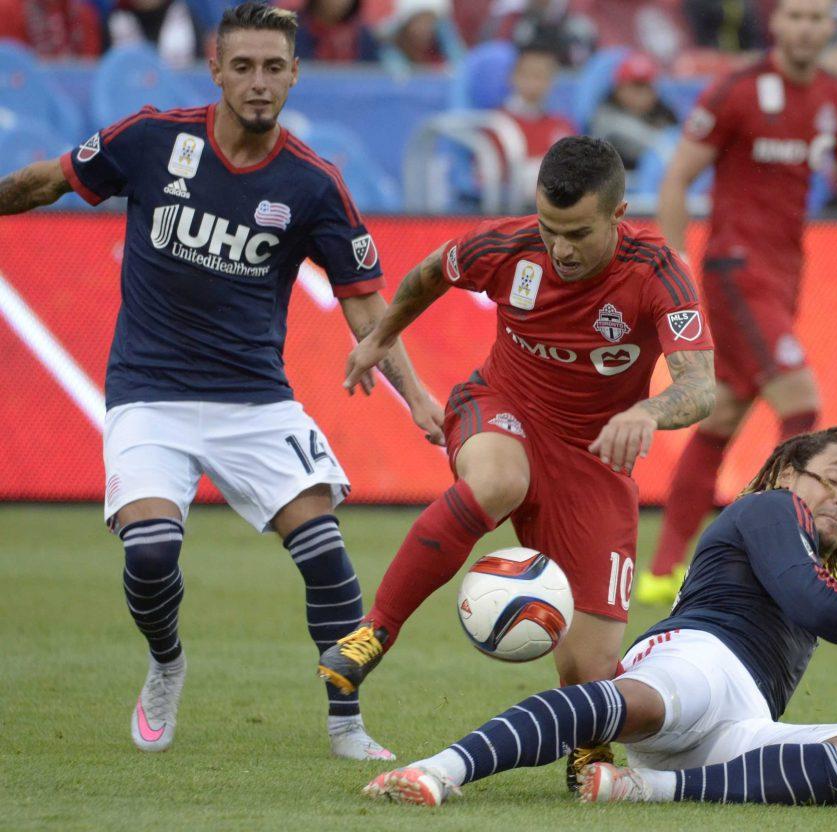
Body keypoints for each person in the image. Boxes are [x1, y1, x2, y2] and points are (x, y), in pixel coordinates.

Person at [0, 2, 444, 760]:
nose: (259, 83)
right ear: (216, 70)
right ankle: (167, 663)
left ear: (296, 73)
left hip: (254, 401)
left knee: (328, 556)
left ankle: (346, 725)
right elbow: (47, 182)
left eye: (274, 67)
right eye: (244, 66)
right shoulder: (151, 139)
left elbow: (367, 302)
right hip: (149, 392)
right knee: (148, 554)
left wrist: (424, 402)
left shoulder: (312, 184)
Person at [317, 135, 717, 790]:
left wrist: (645, 414)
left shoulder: (658, 271)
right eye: (550, 228)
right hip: (500, 407)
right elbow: (426, 277)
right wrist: (382, 336)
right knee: (500, 480)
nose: (560, 248)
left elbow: (700, 385)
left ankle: (587, 752)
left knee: (594, 668)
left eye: (578, 233)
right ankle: (373, 634)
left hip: (593, 456)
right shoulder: (504, 246)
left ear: (618, 216)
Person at [360, 426, 837, 807]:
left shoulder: (808, 551)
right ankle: (438, 771)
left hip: (739, 723)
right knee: (609, 703)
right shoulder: (770, 508)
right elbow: (815, 605)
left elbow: (817, 599)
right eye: (833, 478)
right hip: (696, 661)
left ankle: (643, 786)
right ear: (786, 471)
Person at [640, 0, 837, 605]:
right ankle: (807, 557)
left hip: (784, 273)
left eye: (817, 18)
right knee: (801, 403)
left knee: (723, 415)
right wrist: (674, 271)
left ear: (831, 29)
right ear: (775, 25)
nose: (806, 28)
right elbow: (676, 180)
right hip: (734, 270)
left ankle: (664, 568)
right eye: (795, 16)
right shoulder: (736, 92)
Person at [491, 40, 577, 208]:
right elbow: (491, 176)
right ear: (513, 77)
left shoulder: (562, 125)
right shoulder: (497, 124)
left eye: (541, 76)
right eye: (527, 75)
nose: (533, 82)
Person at [589, 52, 679, 171]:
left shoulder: (664, 114)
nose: (642, 93)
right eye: (636, 86)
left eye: (648, 86)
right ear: (619, 88)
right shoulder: (605, 116)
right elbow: (651, 143)